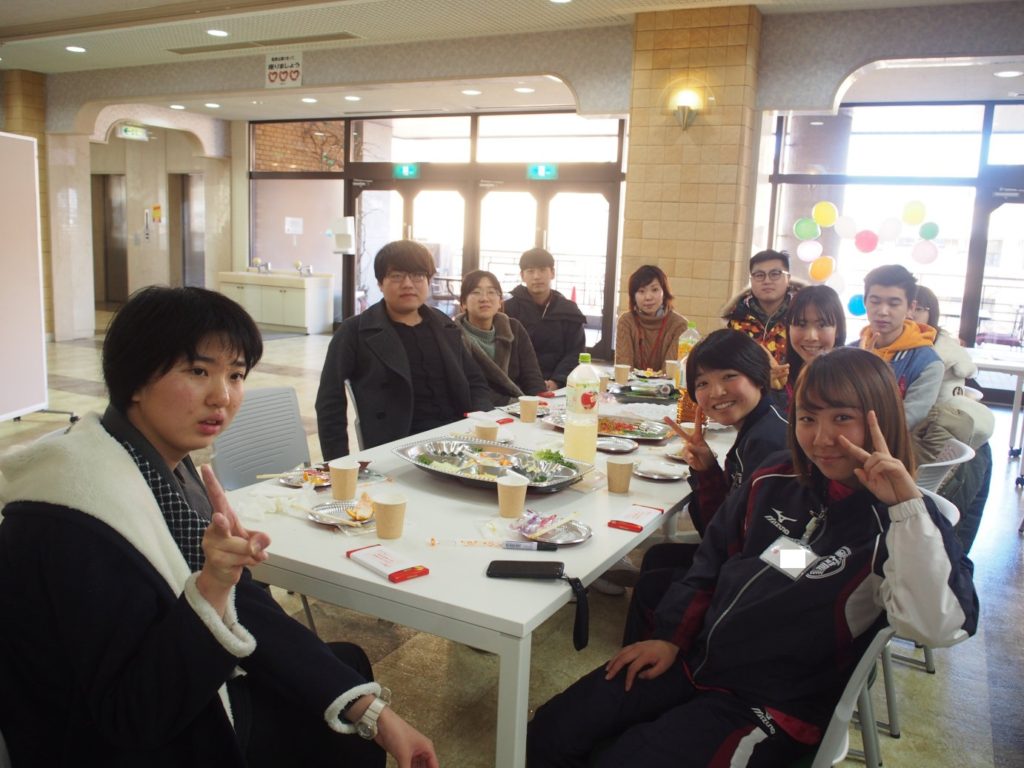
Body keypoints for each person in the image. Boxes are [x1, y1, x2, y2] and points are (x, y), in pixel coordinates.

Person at [0, 286, 438, 768]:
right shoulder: (77, 518)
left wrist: (370, 708)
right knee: (341, 737)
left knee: (346, 673)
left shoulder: (154, 461)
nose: (222, 397)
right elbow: (133, 718)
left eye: (235, 375)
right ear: (134, 379)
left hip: (178, 680)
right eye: (198, 371)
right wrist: (213, 585)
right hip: (119, 741)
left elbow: (241, 601)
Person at [527, 347, 978, 768]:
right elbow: (714, 560)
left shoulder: (901, 523)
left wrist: (906, 509)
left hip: (770, 707)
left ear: (883, 420)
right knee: (550, 731)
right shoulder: (777, 479)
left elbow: (935, 625)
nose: (822, 438)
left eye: (843, 418)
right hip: (695, 661)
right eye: (808, 418)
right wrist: (670, 636)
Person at [621, 329, 788, 643]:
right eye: (702, 383)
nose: (716, 392)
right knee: (657, 557)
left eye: (729, 376)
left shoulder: (770, 444)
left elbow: (771, 548)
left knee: (653, 587)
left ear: (758, 376)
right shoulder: (759, 425)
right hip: (758, 554)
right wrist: (708, 472)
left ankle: (662, 656)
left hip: (772, 573)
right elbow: (724, 524)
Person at [316, 240, 492, 460]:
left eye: (418, 275)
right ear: (380, 283)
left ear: (428, 280)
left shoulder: (444, 324)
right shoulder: (355, 331)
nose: (408, 284)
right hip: (398, 447)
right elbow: (329, 401)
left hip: (458, 440)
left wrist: (480, 422)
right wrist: (338, 463)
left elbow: (475, 381)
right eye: (397, 276)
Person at [910, 285, 993, 554]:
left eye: (917, 308)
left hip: (948, 440)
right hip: (938, 447)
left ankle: (955, 564)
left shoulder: (929, 350)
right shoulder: (876, 351)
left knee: (953, 540)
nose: (911, 314)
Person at [856, 264, 942, 430]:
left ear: (910, 308)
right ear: (865, 303)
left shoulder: (928, 363)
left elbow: (907, 420)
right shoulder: (850, 352)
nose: (883, 311)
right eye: (875, 301)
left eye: (894, 304)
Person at [454, 269, 547, 406]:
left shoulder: (514, 328)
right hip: (479, 409)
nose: (484, 298)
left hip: (521, 407)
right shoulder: (454, 336)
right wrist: (514, 404)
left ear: (500, 302)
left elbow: (532, 376)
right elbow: (466, 388)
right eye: (476, 292)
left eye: (491, 292)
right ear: (463, 303)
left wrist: (541, 403)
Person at [502, 247, 586, 390]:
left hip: (559, 385)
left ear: (552, 273)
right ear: (522, 275)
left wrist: (557, 381)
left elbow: (575, 352)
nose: (536, 276)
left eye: (542, 270)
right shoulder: (508, 309)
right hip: (517, 385)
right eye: (530, 271)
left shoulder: (568, 310)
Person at [721, 249, 802, 365]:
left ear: (788, 279)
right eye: (759, 275)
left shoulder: (801, 317)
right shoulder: (736, 319)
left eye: (775, 274)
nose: (767, 281)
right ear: (751, 280)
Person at [779, 284, 847, 405]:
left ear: (838, 330)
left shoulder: (851, 380)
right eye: (801, 324)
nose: (811, 337)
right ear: (788, 328)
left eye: (822, 325)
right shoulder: (778, 379)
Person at [614, 264, 689, 372]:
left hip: (665, 383)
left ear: (664, 292)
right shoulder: (626, 321)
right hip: (631, 383)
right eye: (641, 291)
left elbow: (671, 372)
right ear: (633, 296)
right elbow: (623, 369)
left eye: (654, 290)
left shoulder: (679, 325)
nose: (648, 297)